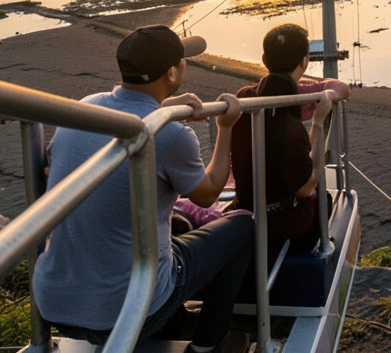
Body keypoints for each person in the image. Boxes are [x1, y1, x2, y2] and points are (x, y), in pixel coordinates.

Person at [33, 25, 253, 353]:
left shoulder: (84, 109)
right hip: (130, 312)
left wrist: (163, 107)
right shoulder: (171, 136)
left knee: (172, 226)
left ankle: (180, 321)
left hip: (54, 304)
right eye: (182, 60)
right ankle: (208, 345)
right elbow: (208, 195)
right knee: (243, 227)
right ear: (172, 74)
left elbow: (60, 162)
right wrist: (226, 127)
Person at [231, 24, 350, 246]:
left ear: (264, 60)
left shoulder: (244, 98)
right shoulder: (291, 128)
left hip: (245, 209)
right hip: (281, 223)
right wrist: (318, 123)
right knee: (323, 198)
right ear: (305, 61)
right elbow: (306, 187)